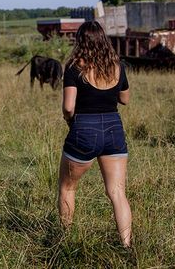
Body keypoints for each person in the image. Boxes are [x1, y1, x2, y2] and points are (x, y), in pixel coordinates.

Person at [58, 20, 132, 247]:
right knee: (117, 192)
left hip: (84, 129)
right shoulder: (117, 66)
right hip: (113, 129)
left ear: (80, 41)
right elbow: (125, 99)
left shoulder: (73, 68)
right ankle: (127, 245)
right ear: (104, 40)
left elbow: (69, 107)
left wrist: (71, 122)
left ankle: (66, 242)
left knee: (67, 187)